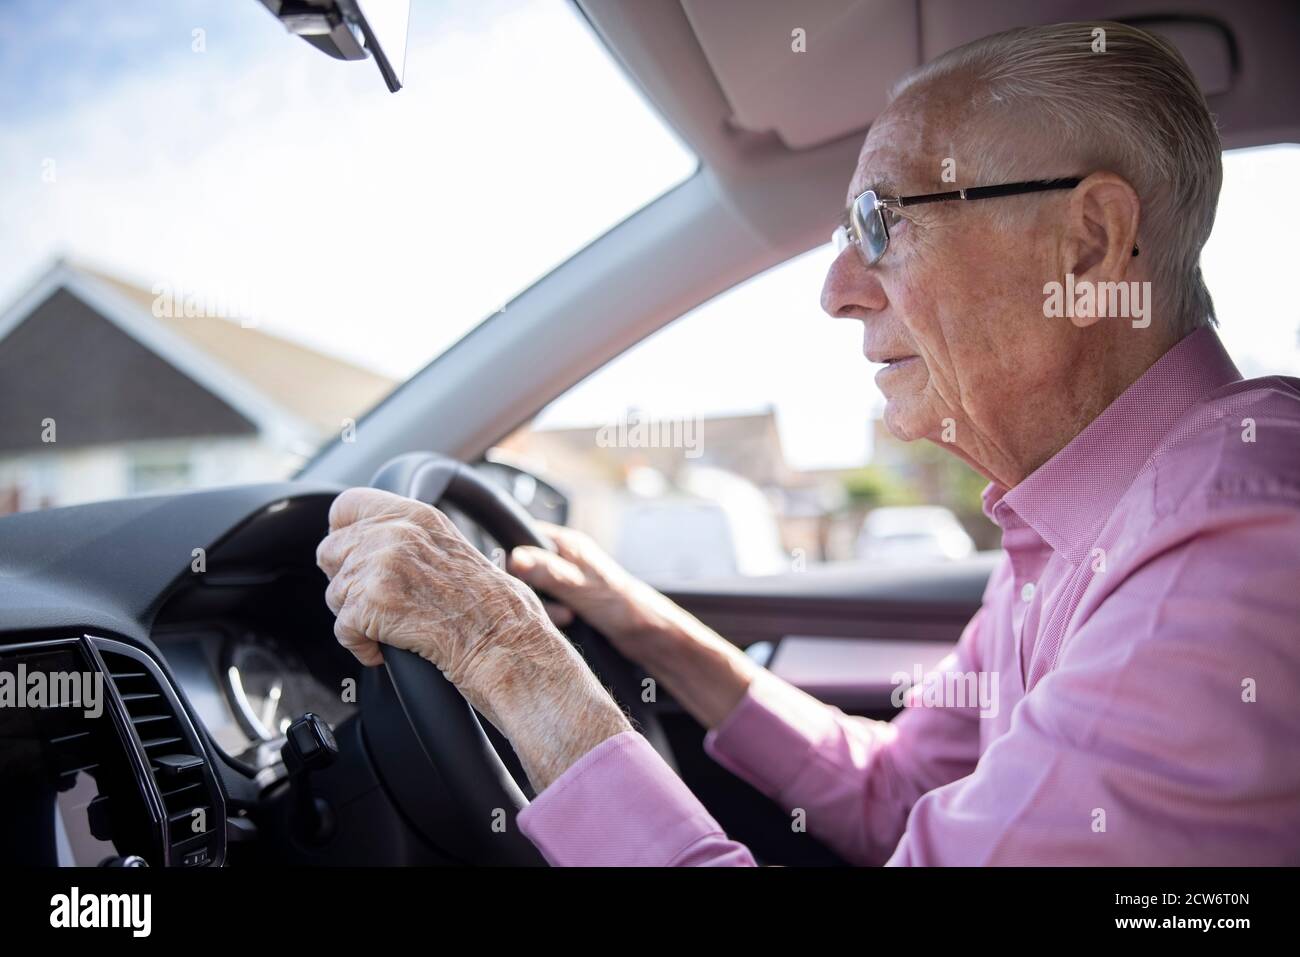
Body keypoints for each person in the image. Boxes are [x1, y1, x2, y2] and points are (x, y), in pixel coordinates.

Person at [315, 21, 1300, 865]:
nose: (835, 289)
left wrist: (505, 653)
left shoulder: (1222, 569)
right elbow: (896, 787)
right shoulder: (1088, 514)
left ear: (1085, 246)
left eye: (881, 221)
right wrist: (642, 622)